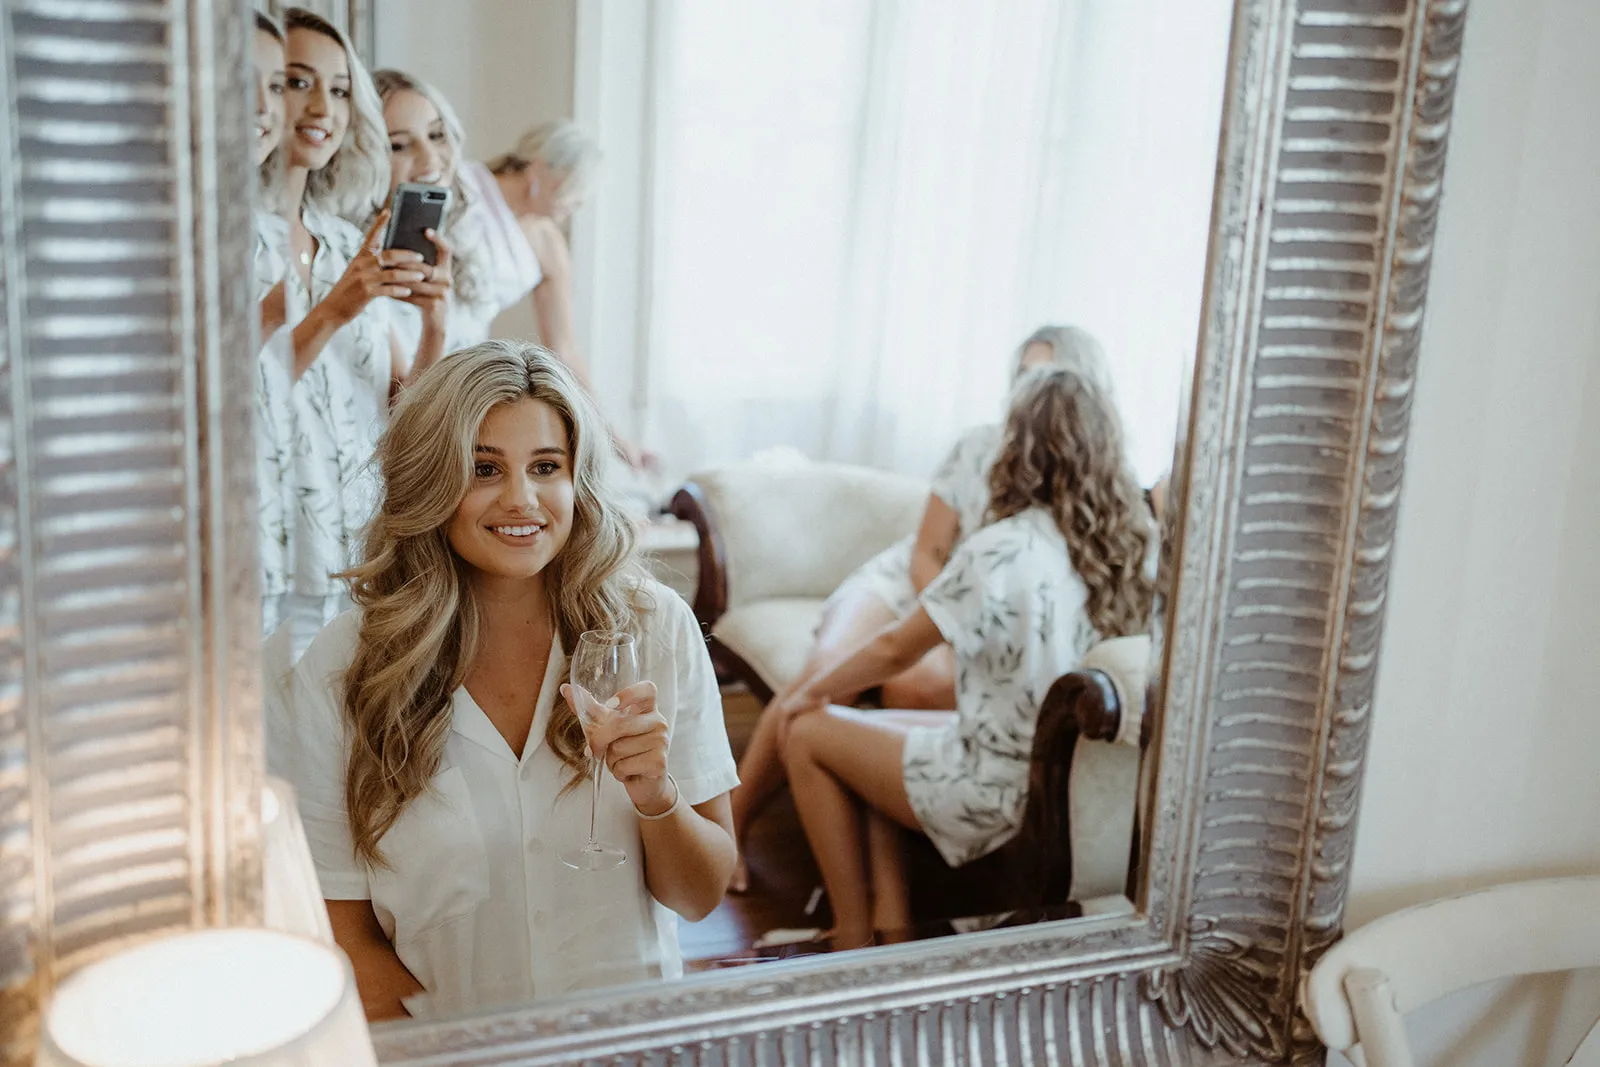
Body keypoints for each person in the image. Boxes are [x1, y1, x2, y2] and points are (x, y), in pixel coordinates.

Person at [275, 341, 739, 1021]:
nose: (521, 498)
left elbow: (701, 894)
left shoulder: (655, 627)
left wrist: (654, 795)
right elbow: (345, 937)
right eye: (483, 467)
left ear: (576, 478)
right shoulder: (340, 669)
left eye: (546, 466)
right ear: (431, 480)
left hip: (625, 1043)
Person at [774, 362, 1157, 950]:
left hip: (994, 789)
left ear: (1018, 448)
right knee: (868, 733)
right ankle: (892, 923)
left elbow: (895, 647)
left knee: (805, 732)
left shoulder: (1003, 549)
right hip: (1060, 781)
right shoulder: (1122, 549)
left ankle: (850, 932)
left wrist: (812, 692)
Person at [727, 325, 1113, 891]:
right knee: (824, 673)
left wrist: (956, 636)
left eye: (1041, 376)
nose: (1024, 391)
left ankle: (888, 903)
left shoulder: (1087, 492)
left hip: (975, 608)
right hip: (915, 583)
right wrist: (946, 631)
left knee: (909, 689)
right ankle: (730, 826)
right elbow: (929, 552)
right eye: (1021, 375)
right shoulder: (983, 444)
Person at [268, 8, 456, 656]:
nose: (323, 104)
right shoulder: (219, 241)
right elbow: (224, 408)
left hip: (358, 556)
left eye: (341, 88)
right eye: (296, 81)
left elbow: (410, 414)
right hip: (270, 553)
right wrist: (331, 310)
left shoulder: (350, 243)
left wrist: (435, 321)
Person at [369, 69, 490, 356]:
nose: (430, 157)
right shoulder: (355, 266)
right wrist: (435, 325)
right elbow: (403, 400)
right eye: (398, 145)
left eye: (436, 135)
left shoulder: (464, 238)